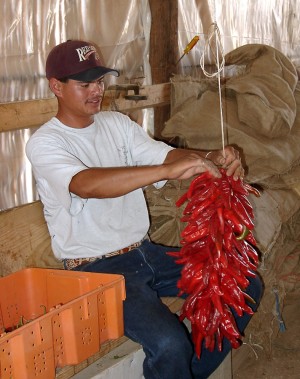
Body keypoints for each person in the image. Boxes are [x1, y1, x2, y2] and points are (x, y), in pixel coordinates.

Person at [26, 39, 263, 379]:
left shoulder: (116, 124)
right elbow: (86, 184)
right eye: (85, 84)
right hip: (96, 272)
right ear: (56, 86)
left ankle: (187, 374)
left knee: (245, 284)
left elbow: (164, 155)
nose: (97, 90)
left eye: (99, 81)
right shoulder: (46, 143)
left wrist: (211, 158)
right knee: (169, 343)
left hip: (145, 253)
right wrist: (166, 171)